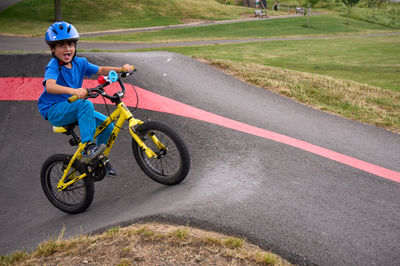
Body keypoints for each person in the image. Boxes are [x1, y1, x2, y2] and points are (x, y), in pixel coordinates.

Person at [38, 21, 133, 176]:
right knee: (85, 104)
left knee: (107, 125)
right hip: (53, 109)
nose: (67, 48)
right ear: (52, 48)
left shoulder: (79, 62)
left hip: (72, 106)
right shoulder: (54, 65)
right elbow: (50, 86)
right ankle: (89, 147)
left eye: (70, 44)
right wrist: (73, 90)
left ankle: (97, 158)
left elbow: (101, 70)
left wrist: (121, 69)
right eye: (61, 45)